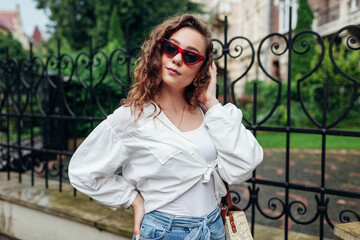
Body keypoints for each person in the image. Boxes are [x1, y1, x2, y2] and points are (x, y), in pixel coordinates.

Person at [68, 14, 263, 240]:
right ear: (159, 53)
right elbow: (83, 171)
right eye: (171, 49)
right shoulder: (132, 117)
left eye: (190, 56)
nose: (178, 59)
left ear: (203, 69)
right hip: (164, 232)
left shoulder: (211, 115)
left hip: (213, 228)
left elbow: (244, 166)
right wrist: (133, 199)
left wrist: (211, 102)